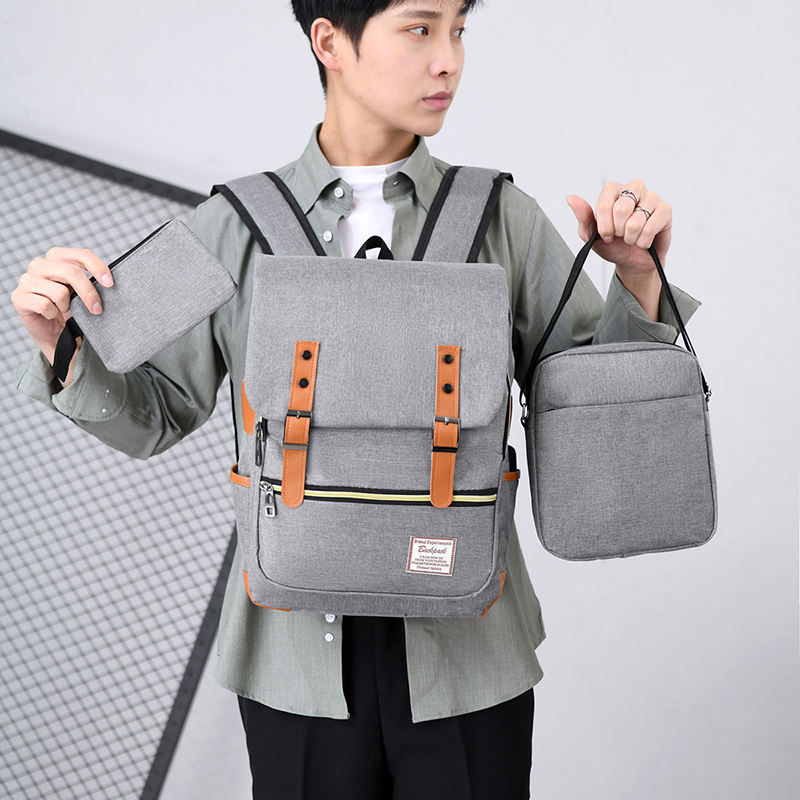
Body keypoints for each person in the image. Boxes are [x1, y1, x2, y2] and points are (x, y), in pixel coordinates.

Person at [11, 1, 702, 797]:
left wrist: (638, 279)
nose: (448, 59)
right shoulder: (231, 226)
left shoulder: (501, 218)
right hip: (294, 663)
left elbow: (591, 420)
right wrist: (58, 343)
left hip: (469, 658)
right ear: (329, 40)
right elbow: (156, 414)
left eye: (459, 30)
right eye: (420, 28)